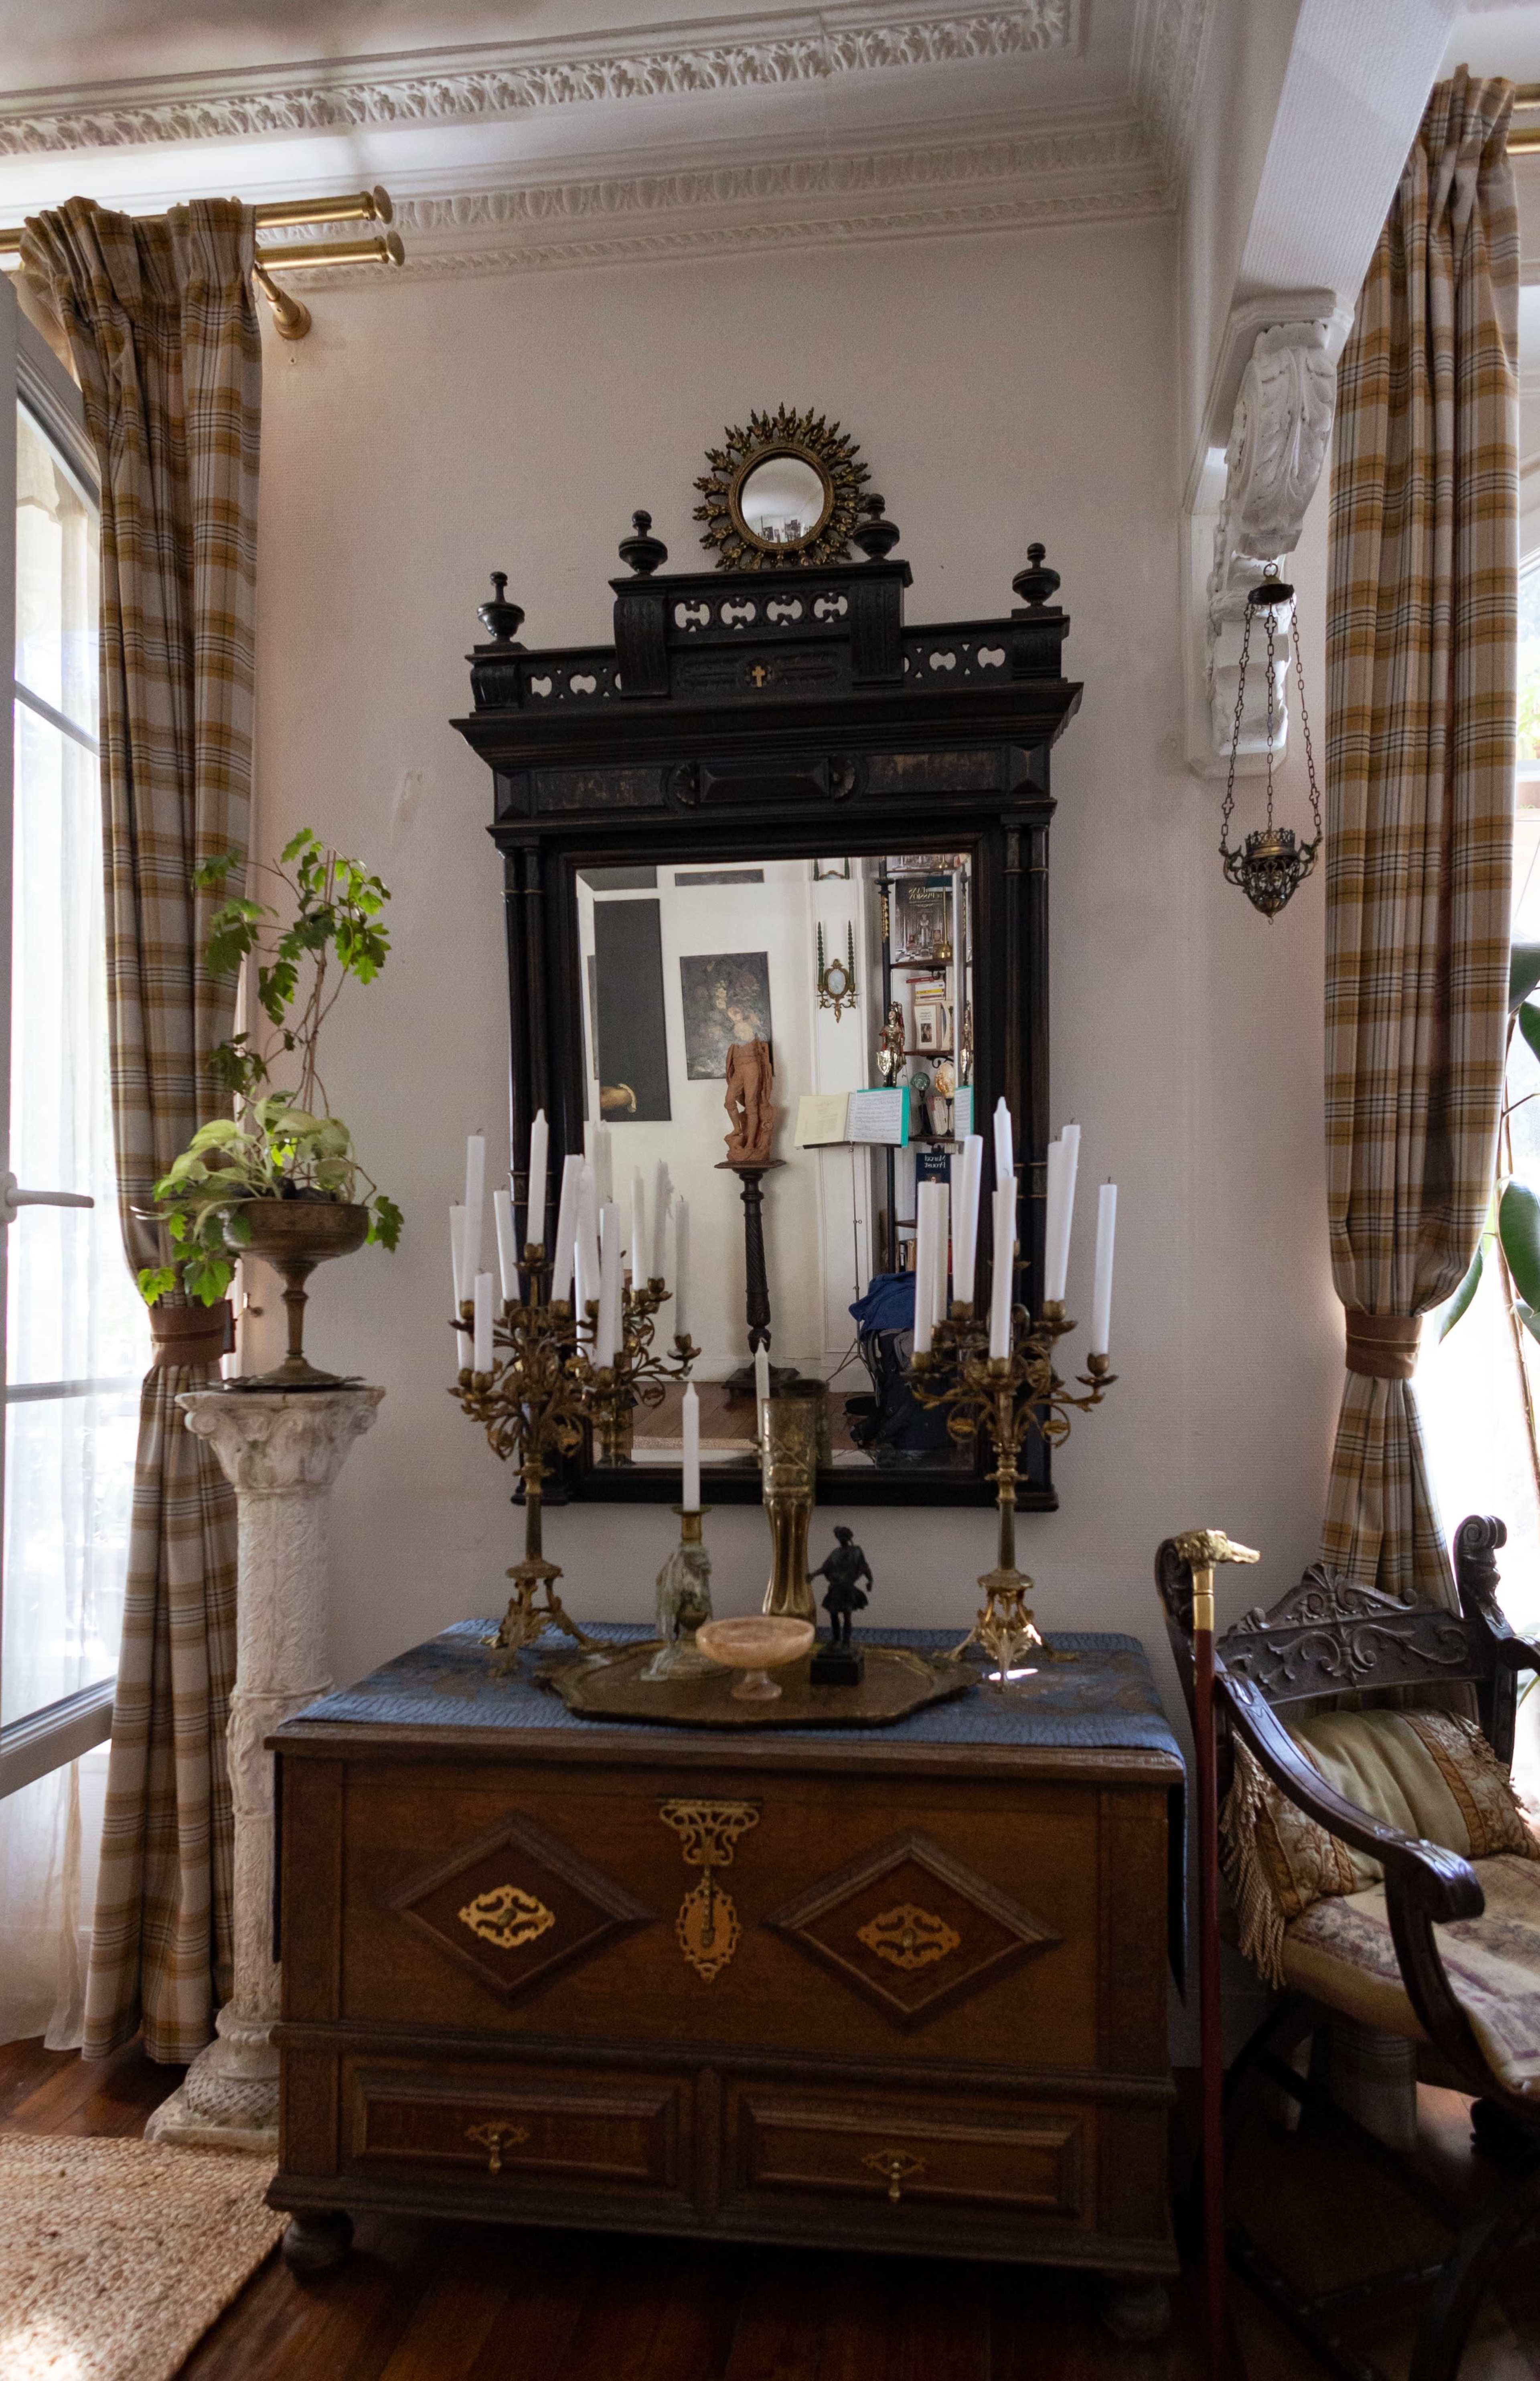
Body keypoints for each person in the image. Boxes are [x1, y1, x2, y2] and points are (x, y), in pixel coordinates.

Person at [809, 1526, 872, 1649]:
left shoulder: (856, 1551)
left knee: (847, 1614)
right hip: (836, 1588)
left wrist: (870, 1580)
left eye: (844, 1537)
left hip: (848, 1588)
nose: (842, 1539)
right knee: (833, 1613)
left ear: (849, 1538)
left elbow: (864, 1567)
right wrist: (813, 1575)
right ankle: (836, 1639)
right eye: (840, 1537)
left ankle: (846, 1642)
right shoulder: (836, 1553)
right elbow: (825, 1568)